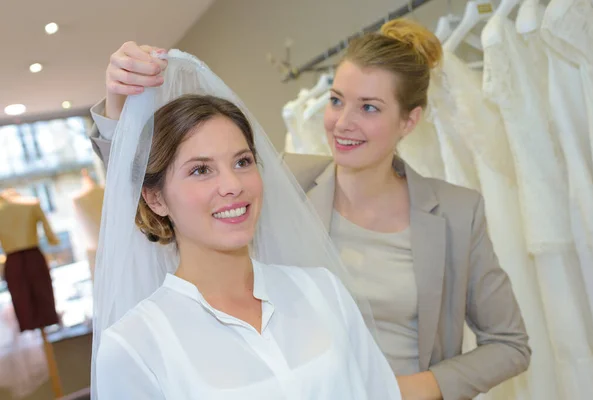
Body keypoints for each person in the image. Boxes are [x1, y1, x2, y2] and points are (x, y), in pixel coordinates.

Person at [89, 18, 530, 400]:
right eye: (336, 100)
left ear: (408, 121)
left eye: (369, 108)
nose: (343, 122)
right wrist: (118, 107)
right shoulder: (284, 182)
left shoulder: (455, 210)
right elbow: (160, 180)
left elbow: (509, 343)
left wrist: (401, 388)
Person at [92, 51, 402, 399]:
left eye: (242, 162)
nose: (233, 185)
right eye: (200, 169)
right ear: (156, 199)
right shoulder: (133, 347)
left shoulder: (322, 290)